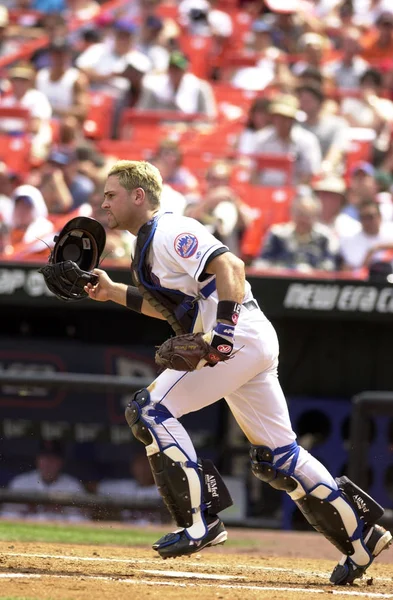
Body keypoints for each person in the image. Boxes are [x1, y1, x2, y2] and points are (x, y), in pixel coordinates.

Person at [83, 159, 391, 585]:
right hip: (247, 336)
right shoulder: (149, 244)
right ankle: (362, 540)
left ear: (139, 195)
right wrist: (113, 292)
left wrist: (221, 336)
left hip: (236, 335)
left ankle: (199, 522)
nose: (104, 203)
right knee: (279, 459)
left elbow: (231, 267)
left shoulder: (171, 229)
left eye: (111, 194)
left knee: (148, 410)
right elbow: (175, 309)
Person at [1, 439, 87, 522]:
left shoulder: (73, 486)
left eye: (53, 459)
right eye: (44, 458)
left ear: (61, 462)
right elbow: (6, 517)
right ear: (37, 459)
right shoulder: (20, 483)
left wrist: (60, 511)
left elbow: (82, 521)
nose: (48, 463)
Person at [255, 192, 340, 272]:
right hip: (280, 283)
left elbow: (330, 266)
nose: (303, 219)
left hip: (314, 285)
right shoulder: (277, 235)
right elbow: (261, 264)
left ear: (316, 216)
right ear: (292, 213)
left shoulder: (325, 237)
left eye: (307, 215)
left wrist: (309, 272)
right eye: (300, 214)